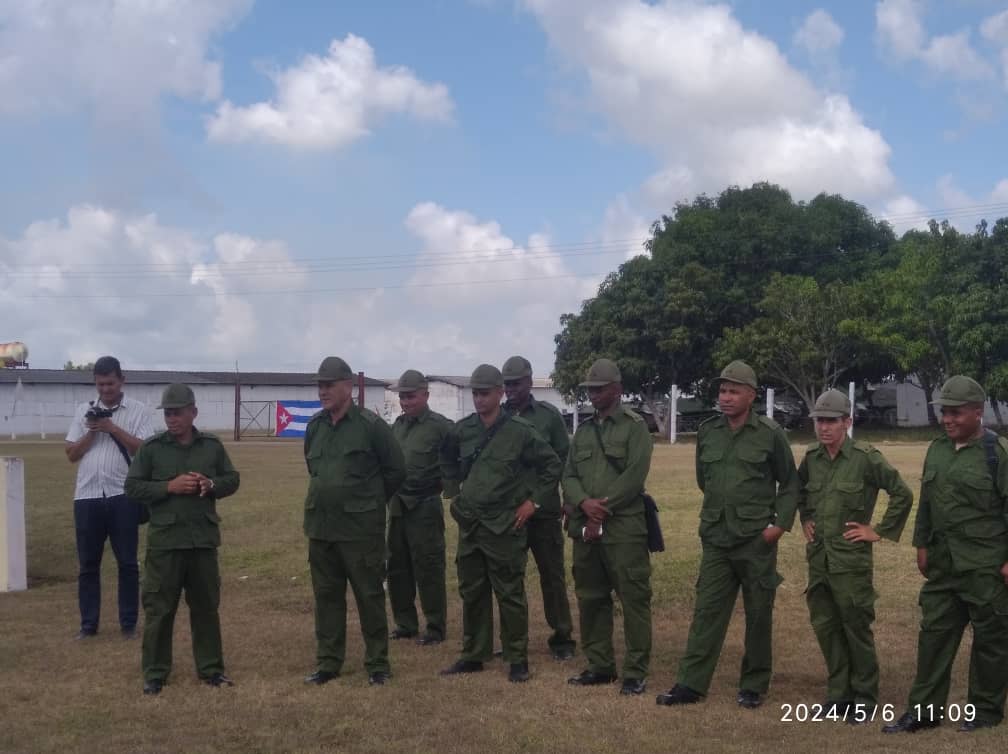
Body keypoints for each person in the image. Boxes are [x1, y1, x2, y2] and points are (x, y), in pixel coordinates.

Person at [657, 360, 799, 709]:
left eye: (734, 390)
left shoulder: (770, 434)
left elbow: (791, 483)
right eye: (722, 390)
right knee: (706, 611)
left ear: (751, 395)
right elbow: (703, 480)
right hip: (717, 539)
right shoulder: (708, 431)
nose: (726, 397)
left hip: (756, 540)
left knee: (758, 614)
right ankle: (691, 683)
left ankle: (753, 685)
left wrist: (778, 526)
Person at [883, 376, 1008, 734]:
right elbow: (926, 504)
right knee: (934, 636)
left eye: (956, 413)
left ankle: (984, 712)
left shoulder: (996, 454)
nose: (948, 419)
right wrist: (921, 546)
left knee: (991, 640)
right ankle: (923, 712)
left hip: (985, 566)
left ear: (977, 412)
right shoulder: (936, 449)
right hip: (943, 565)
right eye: (944, 413)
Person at [439, 364, 562, 683]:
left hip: (505, 525)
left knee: (510, 592)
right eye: (475, 393)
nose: (479, 400)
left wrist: (533, 502)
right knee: (472, 590)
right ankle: (473, 654)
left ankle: (516, 657)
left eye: (485, 393)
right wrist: (453, 493)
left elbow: (551, 465)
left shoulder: (520, 431)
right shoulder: (463, 430)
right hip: (472, 524)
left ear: (499, 393)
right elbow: (447, 458)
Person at [797, 389, 913, 719]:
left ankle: (864, 698)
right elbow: (799, 489)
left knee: (855, 627)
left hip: (850, 561)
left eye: (831, 421)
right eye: (819, 421)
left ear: (847, 422)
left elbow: (901, 493)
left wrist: (878, 531)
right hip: (819, 560)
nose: (824, 428)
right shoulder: (812, 458)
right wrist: (805, 518)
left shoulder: (866, 457)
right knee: (826, 625)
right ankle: (838, 695)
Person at [125, 383, 240, 696]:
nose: (171, 419)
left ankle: (212, 670)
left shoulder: (211, 447)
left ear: (193, 413)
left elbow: (232, 480)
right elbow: (132, 487)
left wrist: (211, 483)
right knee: (160, 610)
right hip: (165, 544)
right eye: (168, 413)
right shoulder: (152, 449)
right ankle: (155, 674)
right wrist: (168, 488)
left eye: (177, 413)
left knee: (206, 608)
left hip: (202, 541)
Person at [302, 357, 405, 687]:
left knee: (369, 594)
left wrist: (368, 503)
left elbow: (395, 471)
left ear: (348, 386)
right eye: (320, 385)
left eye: (329, 385)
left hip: (361, 531)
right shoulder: (315, 427)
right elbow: (313, 469)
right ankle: (329, 662)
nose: (323, 391)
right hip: (322, 529)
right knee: (327, 597)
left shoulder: (371, 426)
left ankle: (377, 663)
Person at [563, 358, 654, 696]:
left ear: (617, 390)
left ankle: (635, 672)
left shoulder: (634, 427)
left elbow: (635, 475)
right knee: (590, 597)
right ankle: (599, 665)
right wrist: (583, 504)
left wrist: (601, 508)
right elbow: (568, 474)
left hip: (624, 530)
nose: (593, 395)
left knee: (633, 599)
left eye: (599, 390)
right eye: (589, 390)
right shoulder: (584, 431)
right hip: (585, 529)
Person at [65, 356, 155, 640]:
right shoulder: (83, 411)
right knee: (88, 565)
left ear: (122, 381)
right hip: (87, 496)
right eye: (101, 384)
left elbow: (144, 450)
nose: (105, 389)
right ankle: (88, 625)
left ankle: (128, 624)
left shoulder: (139, 411)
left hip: (123, 494)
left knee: (127, 562)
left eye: (111, 383)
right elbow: (71, 454)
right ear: (95, 382)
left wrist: (113, 428)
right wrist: (92, 432)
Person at [502, 355, 575, 661]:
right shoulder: (498, 417)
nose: (511, 390)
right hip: (509, 512)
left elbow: (563, 462)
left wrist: (553, 499)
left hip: (543, 511)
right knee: (508, 578)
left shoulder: (549, 416)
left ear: (530, 382)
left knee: (552, 576)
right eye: (507, 384)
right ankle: (513, 641)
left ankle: (561, 638)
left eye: (516, 383)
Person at [387, 369, 453, 646]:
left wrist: (445, 486)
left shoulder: (442, 427)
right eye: (402, 397)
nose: (405, 402)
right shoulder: (397, 427)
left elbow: (455, 461)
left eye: (410, 396)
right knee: (398, 568)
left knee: (429, 567)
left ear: (425, 395)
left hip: (425, 506)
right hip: (398, 506)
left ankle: (435, 627)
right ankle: (406, 623)